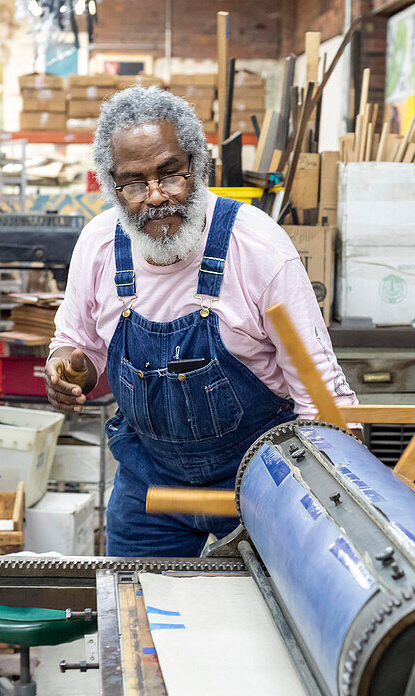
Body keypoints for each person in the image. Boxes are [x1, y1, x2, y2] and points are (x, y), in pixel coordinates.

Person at [46, 85, 357, 557]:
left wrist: (343, 501)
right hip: (150, 485)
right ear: (112, 187)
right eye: (134, 183)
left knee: (273, 621)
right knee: (137, 615)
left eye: (171, 175)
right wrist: (68, 370)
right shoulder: (99, 246)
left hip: (262, 478)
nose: (155, 197)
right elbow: (79, 345)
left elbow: (321, 398)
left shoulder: (256, 248)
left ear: (197, 165)